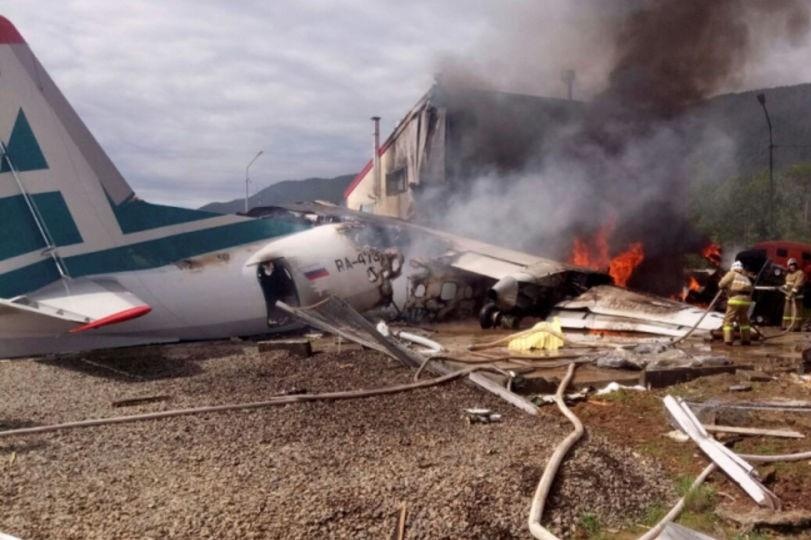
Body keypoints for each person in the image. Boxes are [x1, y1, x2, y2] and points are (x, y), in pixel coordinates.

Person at [718, 260, 753, 345]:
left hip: (736, 299)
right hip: (747, 300)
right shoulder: (745, 276)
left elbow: (722, 284)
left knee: (728, 320)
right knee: (744, 320)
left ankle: (728, 340)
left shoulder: (732, 273)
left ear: (733, 267)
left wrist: (723, 286)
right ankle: (746, 340)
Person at [782, 258, 806, 331]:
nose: (792, 267)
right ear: (788, 266)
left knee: (796, 313)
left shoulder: (800, 273)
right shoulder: (788, 275)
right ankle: (785, 326)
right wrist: (782, 287)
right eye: (790, 265)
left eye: (793, 265)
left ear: (796, 265)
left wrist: (792, 292)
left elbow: (798, 284)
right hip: (788, 297)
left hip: (797, 297)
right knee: (787, 312)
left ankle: (796, 327)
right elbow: (787, 285)